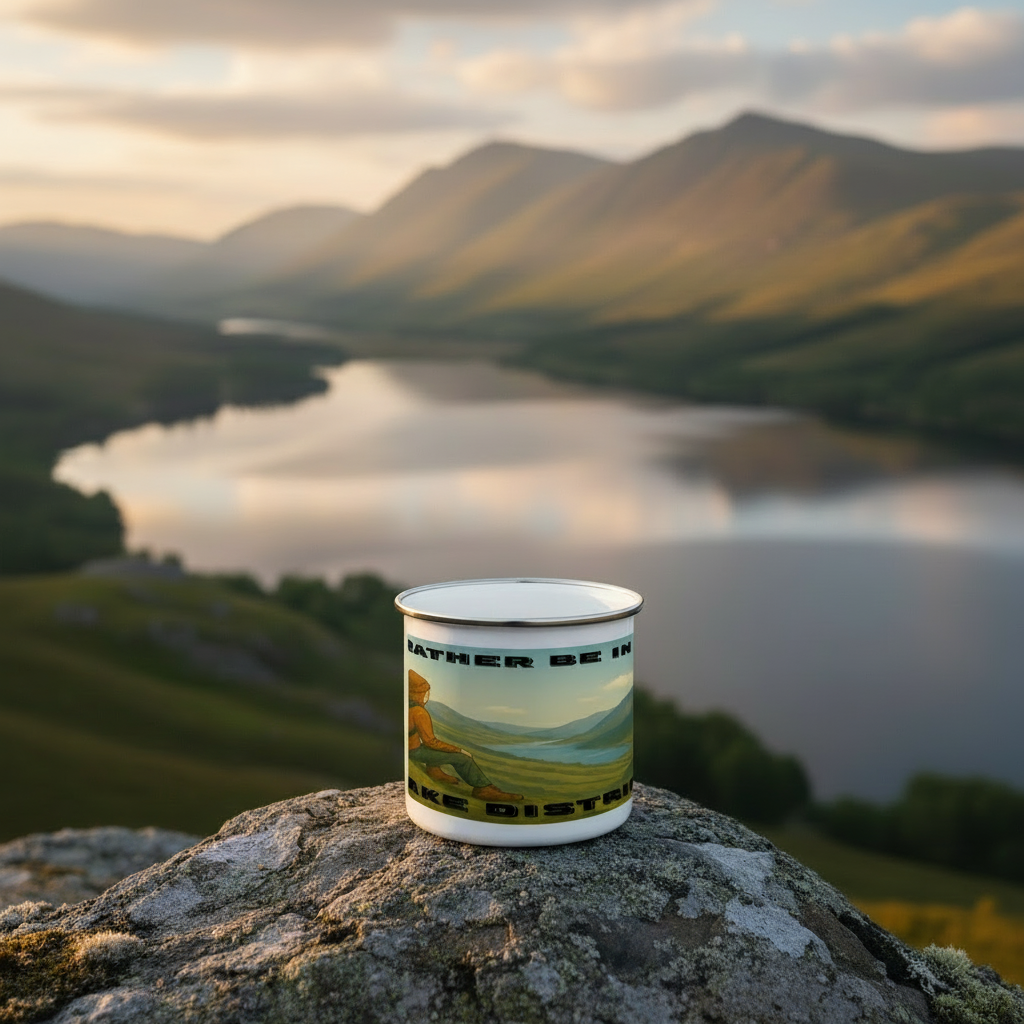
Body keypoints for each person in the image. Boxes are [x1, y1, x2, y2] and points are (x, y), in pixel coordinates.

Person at [407, 670, 523, 801]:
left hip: (412, 748)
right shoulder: (418, 712)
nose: (424, 695)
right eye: (422, 692)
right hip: (415, 751)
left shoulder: (408, 707)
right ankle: (482, 789)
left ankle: (434, 771)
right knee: (463, 759)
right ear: (416, 693)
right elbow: (430, 742)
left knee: (435, 751)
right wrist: (459, 750)